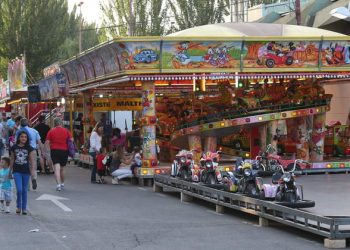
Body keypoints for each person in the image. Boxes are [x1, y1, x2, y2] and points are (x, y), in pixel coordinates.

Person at [10, 131, 36, 215]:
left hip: (26, 171)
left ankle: (24, 208)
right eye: (22, 137)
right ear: (19, 138)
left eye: (25, 137)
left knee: (24, 190)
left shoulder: (29, 148)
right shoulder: (14, 147)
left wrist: (32, 171)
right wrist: (9, 170)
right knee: (19, 190)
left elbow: (32, 161)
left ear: (27, 138)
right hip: (16, 171)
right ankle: (18, 206)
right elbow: (12, 159)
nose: (23, 138)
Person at [45, 117, 73, 191]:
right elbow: (71, 140)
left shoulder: (51, 131)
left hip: (54, 150)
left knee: (56, 168)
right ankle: (63, 183)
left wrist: (47, 151)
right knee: (63, 168)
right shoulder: (66, 131)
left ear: (54, 123)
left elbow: (47, 142)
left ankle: (58, 185)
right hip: (64, 151)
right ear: (61, 123)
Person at [15, 118, 43, 190]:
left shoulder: (19, 132)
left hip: (22, 150)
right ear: (27, 123)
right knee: (33, 166)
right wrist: (42, 151)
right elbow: (39, 142)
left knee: (25, 166)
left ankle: (27, 186)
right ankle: (34, 178)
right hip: (33, 150)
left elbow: (16, 142)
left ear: (20, 124)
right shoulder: (34, 131)